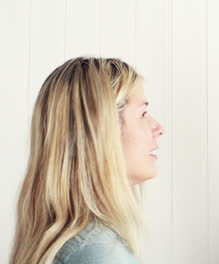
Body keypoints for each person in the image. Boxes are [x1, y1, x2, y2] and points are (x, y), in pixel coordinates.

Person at [10, 57, 164, 264]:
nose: (159, 128)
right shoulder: (98, 253)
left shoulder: (79, 244)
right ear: (101, 131)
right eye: (143, 113)